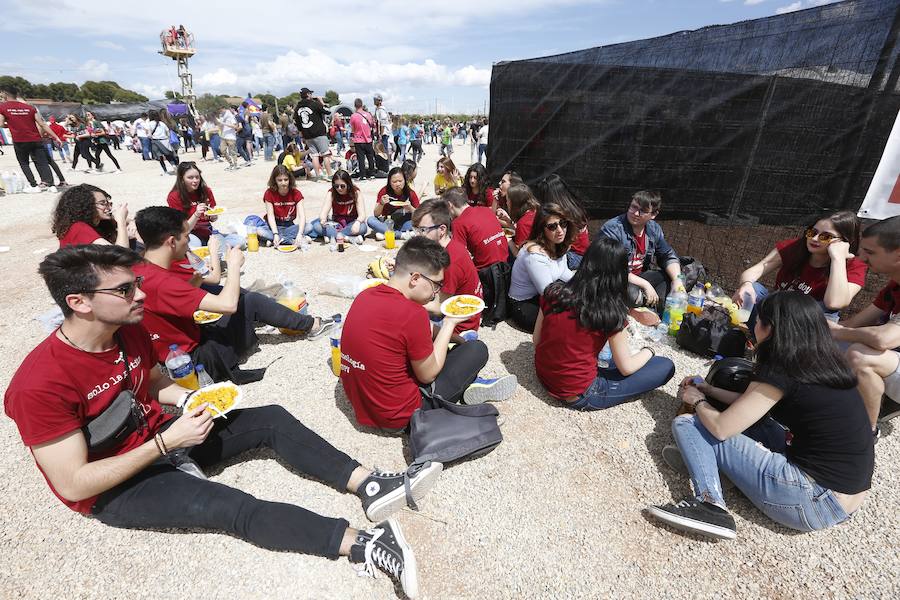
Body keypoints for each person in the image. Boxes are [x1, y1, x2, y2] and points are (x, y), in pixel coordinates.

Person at [4, 244, 438, 599]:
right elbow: (75, 484)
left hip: (162, 435)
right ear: (78, 303)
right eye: (123, 290)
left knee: (270, 418)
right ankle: (365, 543)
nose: (140, 295)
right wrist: (164, 445)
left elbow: (153, 384)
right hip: (115, 484)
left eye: (136, 283)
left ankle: (371, 484)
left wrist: (192, 397)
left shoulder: (128, 329)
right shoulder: (40, 384)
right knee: (232, 507)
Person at [647, 291, 874, 540]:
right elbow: (750, 406)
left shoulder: (783, 369)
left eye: (757, 320)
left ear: (771, 329)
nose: (753, 325)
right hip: (842, 499)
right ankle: (712, 462)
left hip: (810, 501)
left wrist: (697, 400)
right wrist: (708, 389)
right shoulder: (821, 362)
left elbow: (722, 428)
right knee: (753, 423)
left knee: (690, 424)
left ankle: (709, 505)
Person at [133, 207, 338, 380]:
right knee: (250, 301)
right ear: (171, 241)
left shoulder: (139, 268)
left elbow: (171, 299)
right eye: (186, 237)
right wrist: (232, 266)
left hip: (169, 353)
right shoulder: (163, 281)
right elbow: (228, 306)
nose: (188, 242)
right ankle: (313, 325)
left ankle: (293, 321)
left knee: (244, 301)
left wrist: (195, 280)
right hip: (198, 360)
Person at [340, 236, 517, 432]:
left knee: (455, 347)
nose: (435, 293)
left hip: (363, 405)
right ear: (415, 278)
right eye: (436, 285)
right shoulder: (412, 313)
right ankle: (470, 384)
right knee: (477, 349)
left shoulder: (366, 295)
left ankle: (471, 382)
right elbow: (427, 375)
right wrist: (450, 323)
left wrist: (458, 341)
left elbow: (421, 329)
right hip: (401, 416)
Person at [534, 236, 675, 410]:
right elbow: (627, 368)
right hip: (579, 393)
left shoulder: (553, 291)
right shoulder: (610, 312)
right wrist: (649, 351)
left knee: (608, 357)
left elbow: (536, 340)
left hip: (544, 376)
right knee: (665, 366)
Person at [828, 215, 900, 434]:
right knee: (825, 342)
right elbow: (854, 325)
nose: (860, 257)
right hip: (893, 359)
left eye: (869, 252)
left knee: (861, 355)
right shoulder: (894, 286)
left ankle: (864, 433)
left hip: (889, 353)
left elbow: (884, 338)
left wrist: (837, 331)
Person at [733, 211, 866, 330]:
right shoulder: (795, 247)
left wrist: (838, 259)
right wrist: (746, 285)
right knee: (751, 290)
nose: (814, 239)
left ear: (844, 242)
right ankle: (759, 340)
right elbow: (760, 267)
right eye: (812, 232)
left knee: (825, 310)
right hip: (778, 309)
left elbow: (835, 303)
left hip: (804, 324)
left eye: (825, 237)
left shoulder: (855, 265)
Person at [599, 190, 683, 311]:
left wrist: (677, 280)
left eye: (643, 211)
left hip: (638, 277)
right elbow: (610, 268)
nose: (636, 213)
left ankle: (654, 303)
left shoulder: (653, 229)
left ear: (653, 215)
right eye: (633, 207)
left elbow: (667, 255)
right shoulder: (613, 229)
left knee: (674, 278)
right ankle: (651, 303)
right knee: (632, 294)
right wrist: (645, 285)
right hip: (613, 279)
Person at [412, 199, 484, 338]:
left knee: (405, 319)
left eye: (423, 230)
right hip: (455, 302)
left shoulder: (451, 261)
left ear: (442, 230)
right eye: (416, 229)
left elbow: (439, 307)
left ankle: (463, 339)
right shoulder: (449, 245)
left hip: (459, 322)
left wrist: (406, 301)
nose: (418, 235)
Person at [507, 203, 576, 333]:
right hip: (523, 304)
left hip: (541, 295)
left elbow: (564, 272)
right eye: (552, 226)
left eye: (563, 223)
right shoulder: (534, 255)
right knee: (570, 321)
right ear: (542, 229)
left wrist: (585, 284)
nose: (560, 230)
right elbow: (548, 293)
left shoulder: (556, 244)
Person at [0, 84, 59, 192]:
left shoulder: (2, 107)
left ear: (4, 93)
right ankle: (51, 185)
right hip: (36, 139)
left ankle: (33, 185)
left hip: (20, 140)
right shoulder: (30, 107)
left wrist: (12, 124)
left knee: (24, 163)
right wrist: (56, 137)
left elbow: (1, 124)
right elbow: (42, 124)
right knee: (43, 162)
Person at [444, 187, 508, 270]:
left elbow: (458, 256)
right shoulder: (486, 210)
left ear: (450, 205)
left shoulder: (458, 223)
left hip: (485, 272)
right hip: (506, 265)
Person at [53, 184, 129, 248]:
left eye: (108, 203)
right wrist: (121, 221)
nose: (109, 208)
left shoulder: (99, 224)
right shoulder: (78, 228)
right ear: (86, 206)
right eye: (102, 204)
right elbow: (121, 255)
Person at [166, 162, 223, 249]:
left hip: (206, 229)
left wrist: (213, 216)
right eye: (190, 178)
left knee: (238, 241)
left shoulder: (206, 191)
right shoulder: (174, 196)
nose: (195, 181)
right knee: (195, 246)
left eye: (197, 177)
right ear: (182, 179)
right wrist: (196, 214)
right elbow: (183, 228)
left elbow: (212, 217)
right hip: (188, 233)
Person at [255, 165, 310, 246]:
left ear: (290, 179)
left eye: (286, 180)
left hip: (289, 225)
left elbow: (302, 216)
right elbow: (270, 216)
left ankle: (274, 240)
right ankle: (290, 241)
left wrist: (299, 234)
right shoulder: (269, 193)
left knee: (309, 227)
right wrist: (275, 234)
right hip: (274, 226)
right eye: (280, 180)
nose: (283, 183)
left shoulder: (296, 193)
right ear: (275, 181)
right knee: (259, 231)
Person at [310, 170, 368, 244]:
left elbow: (362, 215)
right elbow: (323, 213)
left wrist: (357, 222)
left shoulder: (356, 192)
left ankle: (332, 235)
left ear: (348, 184)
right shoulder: (331, 193)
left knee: (363, 228)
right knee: (316, 226)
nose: (339, 188)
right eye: (336, 186)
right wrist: (323, 220)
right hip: (337, 223)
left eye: (342, 186)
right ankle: (347, 238)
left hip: (352, 222)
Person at [367, 167, 420, 240]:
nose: (398, 184)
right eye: (394, 182)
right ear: (389, 182)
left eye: (400, 181)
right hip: (388, 221)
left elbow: (419, 214)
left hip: (403, 221)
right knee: (371, 220)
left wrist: (410, 208)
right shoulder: (384, 191)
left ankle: (385, 232)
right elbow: (376, 214)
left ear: (405, 180)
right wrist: (381, 204)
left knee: (418, 223)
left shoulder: (410, 193)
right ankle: (400, 235)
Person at [294, 87, 333, 180]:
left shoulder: (297, 108)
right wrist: (321, 102)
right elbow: (328, 112)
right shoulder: (314, 104)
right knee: (325, 154)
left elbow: (298, 123)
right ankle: (329, 174)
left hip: (307, 134)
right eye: (310, 93)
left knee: (314, 155)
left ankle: (318, 175)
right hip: (319, 132)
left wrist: (302, 133)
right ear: (308, 95)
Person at [505, 183, 540, 257]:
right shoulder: (535, 211)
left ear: (515, 203)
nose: (506, 203)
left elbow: (520, 256)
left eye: (508, 200)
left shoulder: (523, 223)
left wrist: (508, 240)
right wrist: (509, 223)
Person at [350, 98, 376, 180]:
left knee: (361, 158)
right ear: (362, 105)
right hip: (368, 139)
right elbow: (372, 124)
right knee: (370, 157)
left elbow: (352, 129)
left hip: (359, 140)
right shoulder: (368, 114)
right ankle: (372, 174)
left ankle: (363, 175)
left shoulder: (353, 116)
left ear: (355, 105)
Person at [147, 109, 179, 175]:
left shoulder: (150, 124)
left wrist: (149, 137)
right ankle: (173, 165)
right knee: (168, 155)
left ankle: (165, 171)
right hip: (165, 140)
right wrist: (167, 138)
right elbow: (167, 132)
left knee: (160, 157)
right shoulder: (161, 123)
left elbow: (149, 134)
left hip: (156, 141)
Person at [215, 107, 240, 171]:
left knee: (232, 152)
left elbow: (235, 126)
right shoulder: (222, 116)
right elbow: (220, 126)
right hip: (224, 136)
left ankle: (235, 165)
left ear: (223, 109)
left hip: (231, 137)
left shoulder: (230, 116)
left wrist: (224, 123)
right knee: (222, 150)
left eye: (220, 110)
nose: (219, 112)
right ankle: (230, 163)